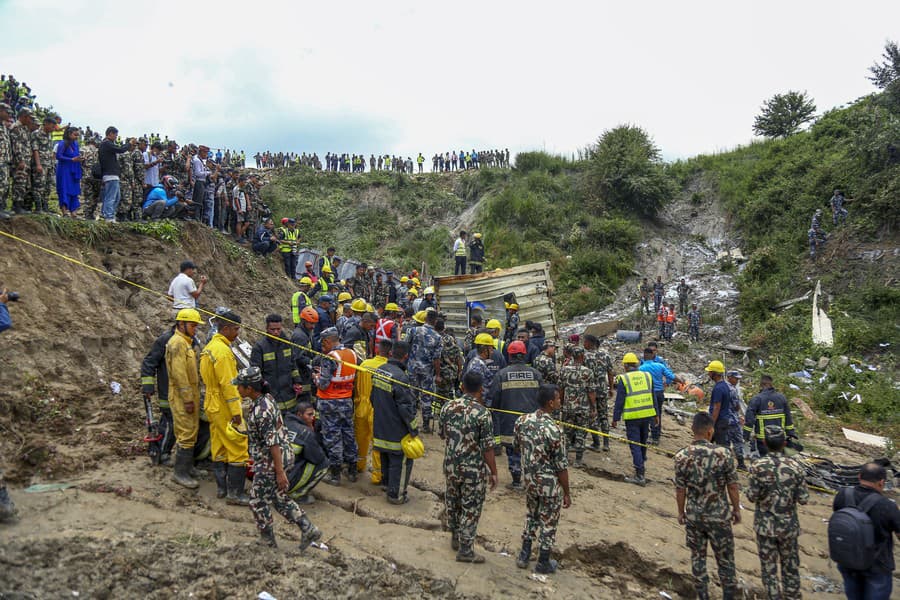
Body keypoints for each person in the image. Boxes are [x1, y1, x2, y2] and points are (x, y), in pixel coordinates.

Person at [235, 367, 322, 550]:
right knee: (278, 497)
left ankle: (268, 541)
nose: (237, 389)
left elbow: (272, 442)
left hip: (272, 460)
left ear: (249, 388)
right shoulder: (266, 399)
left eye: (240, 387)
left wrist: (279, 471)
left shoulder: (261, 411)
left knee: (257, 501)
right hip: (280, 455)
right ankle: (308, 528)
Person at [674, 412, 741, 600]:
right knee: (726, 561)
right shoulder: (724, 454)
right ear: (710, 432)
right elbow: (733, 486)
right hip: (719, 517)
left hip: (695, 517)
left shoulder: (681, 456)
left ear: (692, 430)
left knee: (698, 559)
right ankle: (728, 595)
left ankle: (703, 595)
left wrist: (681, 512)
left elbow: (680, 489)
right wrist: (736, 509)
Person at [439, 370, 498, 563]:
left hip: (451, 466)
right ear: (481, 389)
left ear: (462, 386)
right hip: (472, 469)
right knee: (470, 507)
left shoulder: (447, 406)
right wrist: (494, 472)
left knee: (453, 502)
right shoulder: (483, 414)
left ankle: (455, 537)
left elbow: (442, 434)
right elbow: (488, 448)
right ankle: (465, 550)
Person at [746, 425, 809, 600]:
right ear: (784, 443)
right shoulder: (796, 467)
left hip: (765, 528)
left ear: (764, 443)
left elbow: (751, 496)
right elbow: (804, 498)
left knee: (769, 571)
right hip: (788, 527)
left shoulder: (757, 466)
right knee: (791, 569)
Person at [513, 384, 571, 574]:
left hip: (530, 480)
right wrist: (567, 492)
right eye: (558, 399)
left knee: (531, 516)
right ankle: (543, 561)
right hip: (549, 485)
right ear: (550, 403)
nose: (560, 401)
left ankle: (524, 554)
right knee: (549, 521)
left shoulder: (522, 421)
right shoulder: (554, 430)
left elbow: (516, 446)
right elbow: (561, 466)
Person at [200, 310, 250, 505]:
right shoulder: (223, 352)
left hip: (211, 403)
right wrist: (237, 413)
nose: (237, 333)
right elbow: (229, 385)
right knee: (238, 445)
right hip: (223, 405)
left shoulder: (210, 347)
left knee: (219, 445)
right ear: (226, 328)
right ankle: (235, 493)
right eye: (236, 329)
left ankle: (222, 487)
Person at [831, 462, 900, 600]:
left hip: (847, 559)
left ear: (859, 476)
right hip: (877, 565)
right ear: (881, 482)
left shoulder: (842, 495)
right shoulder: (887, 506)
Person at [487, 340, 542, 488]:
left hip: (510, 421)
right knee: (531, 450)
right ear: (524, 355)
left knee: (513, 451)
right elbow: (542, 398)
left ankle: (517, 480)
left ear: (509, 356)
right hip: (532, 421)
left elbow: (494, 398)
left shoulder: (502, 375)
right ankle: (533, 480)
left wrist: (496, 412)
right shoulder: (536, 374)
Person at [372, 341, 420, 504]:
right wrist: (413, 429)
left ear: (391, 353)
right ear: (406, 356)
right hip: (396, 429)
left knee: (385, 455)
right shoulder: (401, 377)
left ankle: (387, 485)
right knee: (400, 461)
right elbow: (405, 408)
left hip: (380, 424)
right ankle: (396, 495)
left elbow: (373, 397)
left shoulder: (380, 370)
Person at [165, 308, 204, 489]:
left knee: (193, 429)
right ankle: (180, 473)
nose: (195, 328)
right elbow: (179, 374)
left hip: (191, 394)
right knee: (186, 433)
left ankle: (188, 467)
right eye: (193, 325)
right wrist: (188, 399)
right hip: (182, 396)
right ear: (181, 324)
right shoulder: (177, 344)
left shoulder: (186, 342)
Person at [315, 327, 358, 486]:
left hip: (330, 403)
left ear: (327, 341)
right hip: (346, 401)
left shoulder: (330, 357)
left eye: (322, 343)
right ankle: (352, 470)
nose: (322, 346)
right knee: (348, 434)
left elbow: (324, 384)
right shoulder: (352, 354)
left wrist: (315, 377)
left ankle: (335, 474)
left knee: (332, 437)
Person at [612, 352, 656, 486]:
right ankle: (641, 465)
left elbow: (620, 401)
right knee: (643, 442)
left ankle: (639, 475)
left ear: (625, 365)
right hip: (647, 414)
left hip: (633, 417)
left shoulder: (624, 379)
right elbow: (653, 396)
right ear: (637, 364)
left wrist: (615, 418)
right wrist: (657, 415)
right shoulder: (647, 376)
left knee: (635, 444)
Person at [354, 339, 391, 484]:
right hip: (378, 409)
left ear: (377, 351)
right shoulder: (388, 368)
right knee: (378, 443)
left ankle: (359, 465)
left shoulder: (364, 364)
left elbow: (357, 386)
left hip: (361, 406)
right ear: (390, 353)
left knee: (360, 439)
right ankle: (377, 475)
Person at [250, 314, 302, 415]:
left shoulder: (286, 343)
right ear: (266, 329)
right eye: (272, 329)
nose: (276, 332)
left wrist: (297, 381)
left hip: (289, 394)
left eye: (278, 329)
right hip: (271, 395)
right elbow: (255, 372)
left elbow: (293, 365)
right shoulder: (260, 347)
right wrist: (263, 388)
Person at [558, 346, 596, 468]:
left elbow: (561, 389)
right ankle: (578, 460)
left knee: (567, 433)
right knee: (581, 433)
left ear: (572, 356)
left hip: (568, 407)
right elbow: (591, 392)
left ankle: (564, 457)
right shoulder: (588, 372)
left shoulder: (564, 370)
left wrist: (561, 403)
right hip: (583, 408)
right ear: (583, 357)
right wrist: (593, 407)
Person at [638, 348, 684, 445]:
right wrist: (680, 381)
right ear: (653, 355)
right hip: (659, 393)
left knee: (648, 414)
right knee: (657, 414)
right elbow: (671, 376)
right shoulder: (660, 366)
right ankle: (656, 436)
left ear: (644, 356)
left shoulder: (641, 369)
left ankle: (650, 436)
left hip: (648, 393)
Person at [743, 375, 797, 457]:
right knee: (779, 460)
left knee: (765, 461)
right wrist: (790, 433)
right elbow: (788, 418)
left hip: (764, 439)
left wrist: (746, 435)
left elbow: (749, 420)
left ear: (761, 385)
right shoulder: (781, 398)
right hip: (779, 438)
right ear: (771, 384)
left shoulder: (757, 399)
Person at [407, 308, 442, 433]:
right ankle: (426, 426)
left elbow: (406, 346)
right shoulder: (438, 337)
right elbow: (436, 359)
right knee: (426, 397)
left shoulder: (414, 330)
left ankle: (411, 423)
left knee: (411, 396)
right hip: (427, 371)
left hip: (412, 369)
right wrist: (438, 375)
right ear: (435, 321)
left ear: (425, 319)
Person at [583, 335, 614, 452]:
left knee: (592, 416)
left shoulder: (585, 356)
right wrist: (611, 388)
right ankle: (606, 443)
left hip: (590, 392)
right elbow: (610, 373)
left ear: (590, 343)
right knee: (604, 416)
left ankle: (596, 443)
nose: (583, 344)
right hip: (602, 391)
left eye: (584, 342)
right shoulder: (605, 355)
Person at [98, 126, 133, 222]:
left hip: (112, 175)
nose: (116, 137)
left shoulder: (106, 145)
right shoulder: (106, 144)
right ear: (110, 134)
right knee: (111, 197)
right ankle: (108, 216)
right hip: (110, 175)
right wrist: (129, 144)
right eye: (115, 135)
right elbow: (120, 149)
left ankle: (109, 215)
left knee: (116, 197)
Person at [54, 126, 83, 217]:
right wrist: (71, 159)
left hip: (74, 170)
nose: (76, 137)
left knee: (74, 191)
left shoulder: (76, 144)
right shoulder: (62, 143)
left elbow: (76, 155)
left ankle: (73, 212)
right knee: (64, 189)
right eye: (75, 135)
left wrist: (80, 159)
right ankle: (64, 211)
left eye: (78, 135)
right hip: (64, 170)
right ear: (69, 134)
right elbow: (59, 156)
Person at [705, 360, 732, 446]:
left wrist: (711, 424)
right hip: (723, 420)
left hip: (719, 422)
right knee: (709, 444)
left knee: (720, 446)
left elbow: (717, 408)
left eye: (709, 372)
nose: (708, 374)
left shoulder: (718, 389)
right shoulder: (725, 386)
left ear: (714, 373)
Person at [724, 371, 747, 470]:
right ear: (729, 377)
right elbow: (736, 406)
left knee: (726, 443)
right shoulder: (732, 390)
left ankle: (727, 464)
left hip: (725, 420)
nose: (737, 381)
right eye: (735, 378)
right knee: (737, 442)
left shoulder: (721, 387)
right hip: (732, 420)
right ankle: (741, 464)